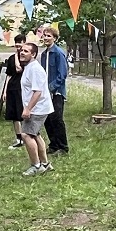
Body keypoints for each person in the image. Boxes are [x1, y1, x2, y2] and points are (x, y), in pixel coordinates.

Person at [17, 40, 54, 176]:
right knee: (35, 134)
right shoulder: (29, 67)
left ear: (33, 54)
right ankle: (45, 163)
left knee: (26, 135)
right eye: (21, 50)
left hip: (37, 108)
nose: (22, 52)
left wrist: (28, 109)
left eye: (26, 51)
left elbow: (38, 92)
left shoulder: (36, 69)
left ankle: (36, 166)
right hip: (36, 107)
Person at [38, 24, 70, 156]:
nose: (46, 38)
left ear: (55, 38)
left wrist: (51, 87)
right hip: (45, 92)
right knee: (47, 118)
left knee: (57, 118)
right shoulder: (44, 54)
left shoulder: (58, 53)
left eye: (49, 36)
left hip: (56, 92)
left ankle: (63, 147)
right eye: (44, 35)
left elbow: (62, 74)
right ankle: (53, 145)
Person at [1, 33, 27, 149]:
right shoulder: (11, 58)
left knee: (22, 113)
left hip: (22, 89)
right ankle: (19, 138)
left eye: (20, 45)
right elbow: (9, 75)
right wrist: (4, 91)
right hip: (12, 87)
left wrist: (18, 55)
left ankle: (27, 136)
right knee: (14, 115)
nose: (18, 48)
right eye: (16, 45)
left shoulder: (26, 58)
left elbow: (18, 69)